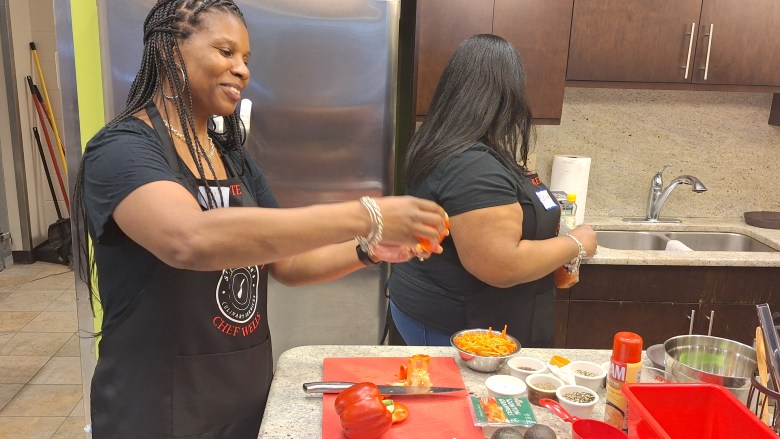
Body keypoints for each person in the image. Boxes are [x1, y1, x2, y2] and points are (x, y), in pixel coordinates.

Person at [72, 1, 448, 438]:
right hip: (158, 404)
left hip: (244, 394)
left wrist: (367, 250)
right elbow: (188, 239)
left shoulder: (231, 156)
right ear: (173, 51)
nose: (242, 70)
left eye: (246, 59)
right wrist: (366, 214)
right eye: (226, 51)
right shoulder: (122, 149)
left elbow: (286, 264)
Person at [387, 34, 597, 348]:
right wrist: (576, 243)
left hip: (430, 307)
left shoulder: (446, 145)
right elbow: (501, 264)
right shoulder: (472, 165)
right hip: (459, 328)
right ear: (507, 95)